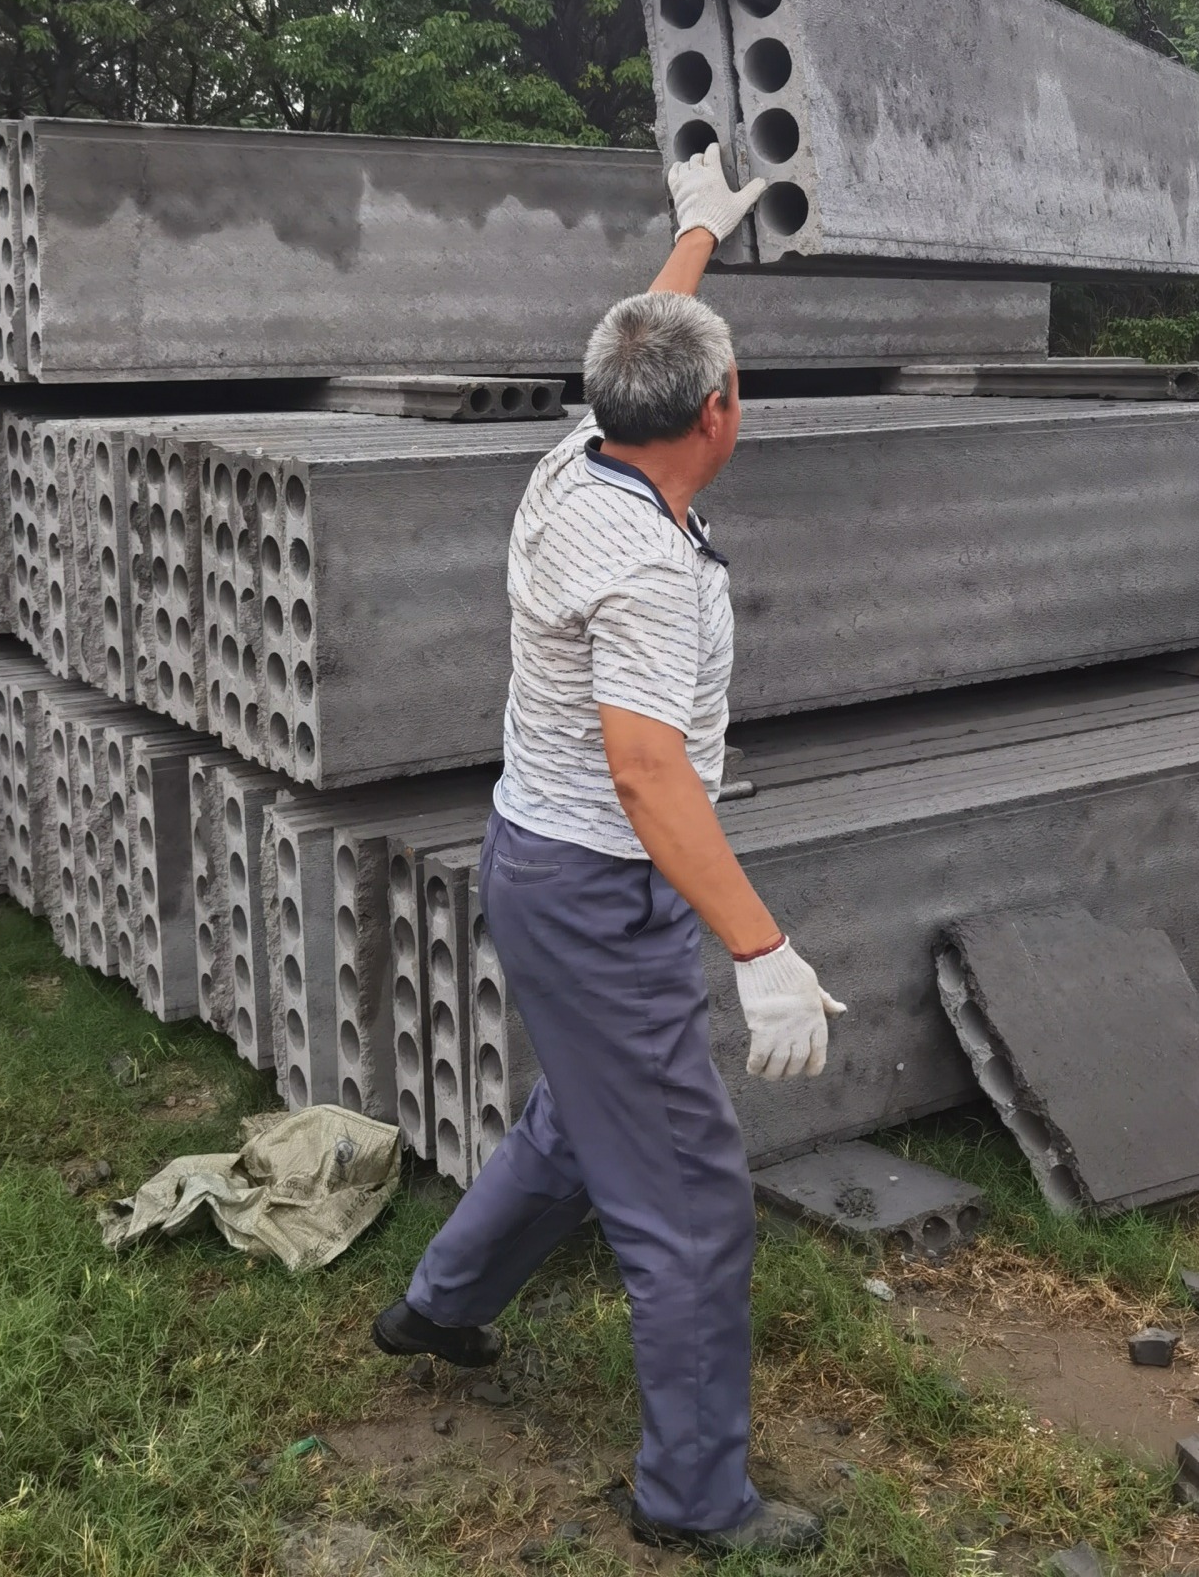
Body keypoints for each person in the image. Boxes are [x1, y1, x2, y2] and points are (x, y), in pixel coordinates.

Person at [370, 145, 841, 1558]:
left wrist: (692, 235)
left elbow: (644, 330)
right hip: (593, 882)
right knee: (691, 1204)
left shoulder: (579, 455)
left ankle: (436, 1310)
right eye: (729, 383)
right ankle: (693, 1504)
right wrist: (759, 947)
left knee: (585, 1120)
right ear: (719, 412)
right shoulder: (641, 564)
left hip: (540, 860)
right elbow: (646, 769)